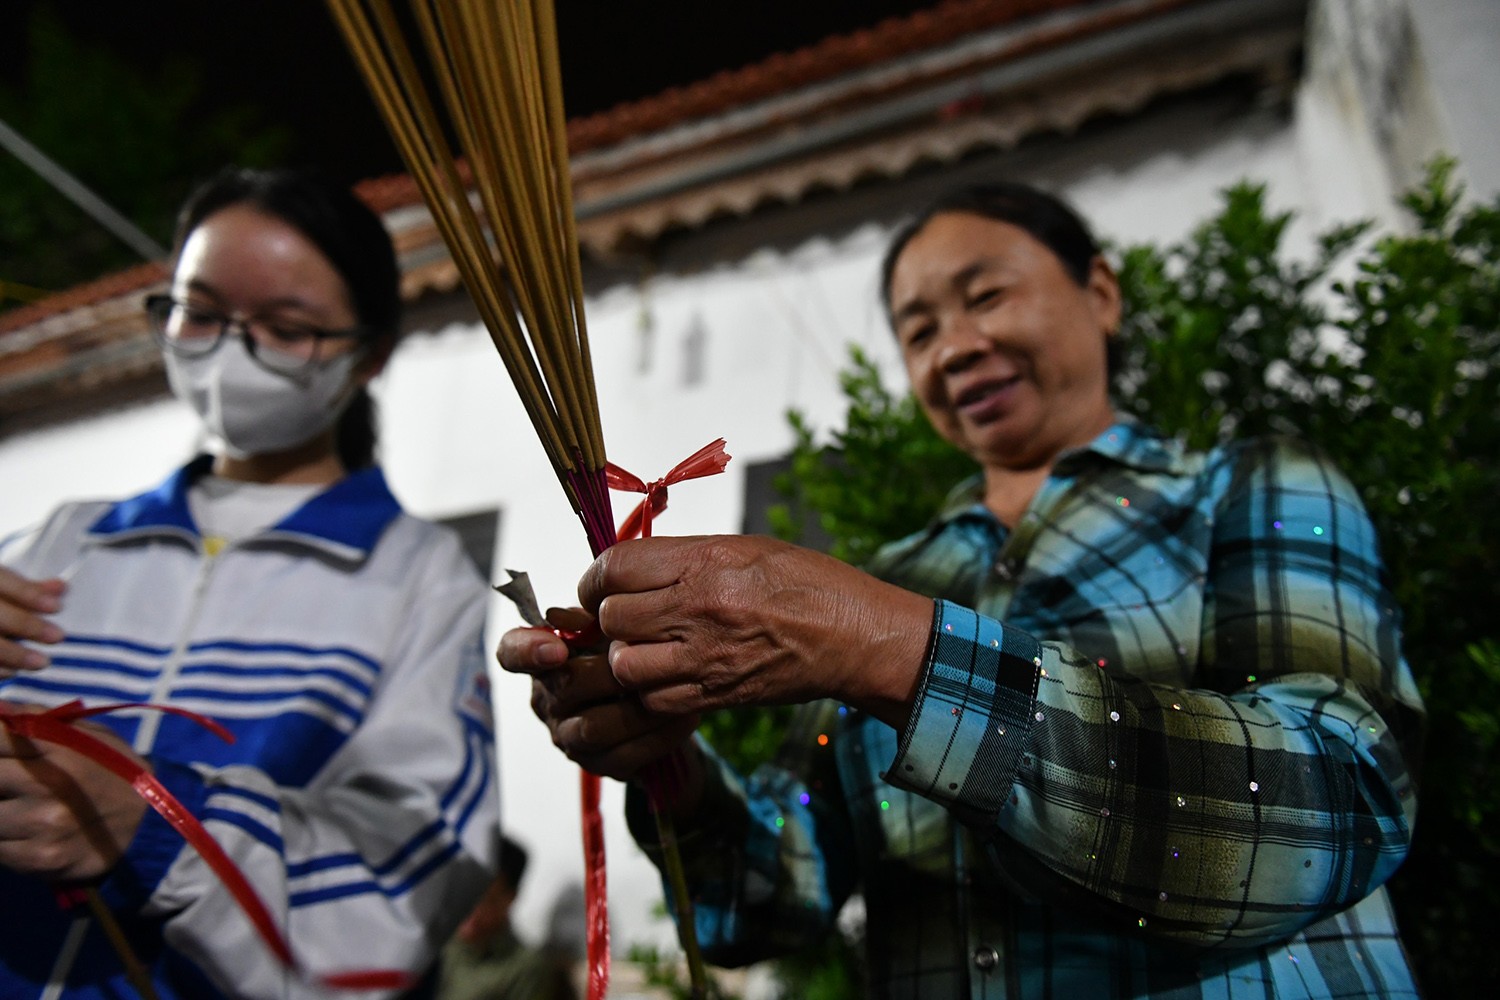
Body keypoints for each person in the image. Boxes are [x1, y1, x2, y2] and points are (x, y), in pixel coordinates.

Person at [499, 181, 1426, 998]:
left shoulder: (1247, 489)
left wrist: (886, 646)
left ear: (1099, 293)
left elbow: (1340, 803)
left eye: (985, 296)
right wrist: (676, 774)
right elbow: (772, 903)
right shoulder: (895, 578)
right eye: (920, 331)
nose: (954, 348)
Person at [0, 166, 500, 998]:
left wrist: (161, 828)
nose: (232, 349)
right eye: (201, 311)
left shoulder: (414, 577)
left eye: (285, 325)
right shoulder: (64, 542)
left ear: (369, 355)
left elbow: (410, 879)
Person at [434, 834, 578, 1000]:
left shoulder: (524, 970)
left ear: (509, 898)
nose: (470, 910)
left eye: (485, 900)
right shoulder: (442, 948)